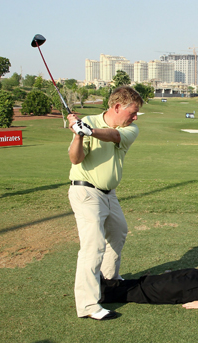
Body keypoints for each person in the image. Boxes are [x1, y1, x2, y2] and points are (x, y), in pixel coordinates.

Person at [67, 86, 144, 320]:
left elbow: (114, 136)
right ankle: (88, 306)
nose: (135, 116)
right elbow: (75, 158)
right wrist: (78, 134)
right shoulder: (88, 122)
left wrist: (87, 130)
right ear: (118, 106)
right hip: (85, 192)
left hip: (109, 194)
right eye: (133, 111)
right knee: (93, 246)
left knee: (118, 232)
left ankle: (108, 281)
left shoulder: (129, 129)